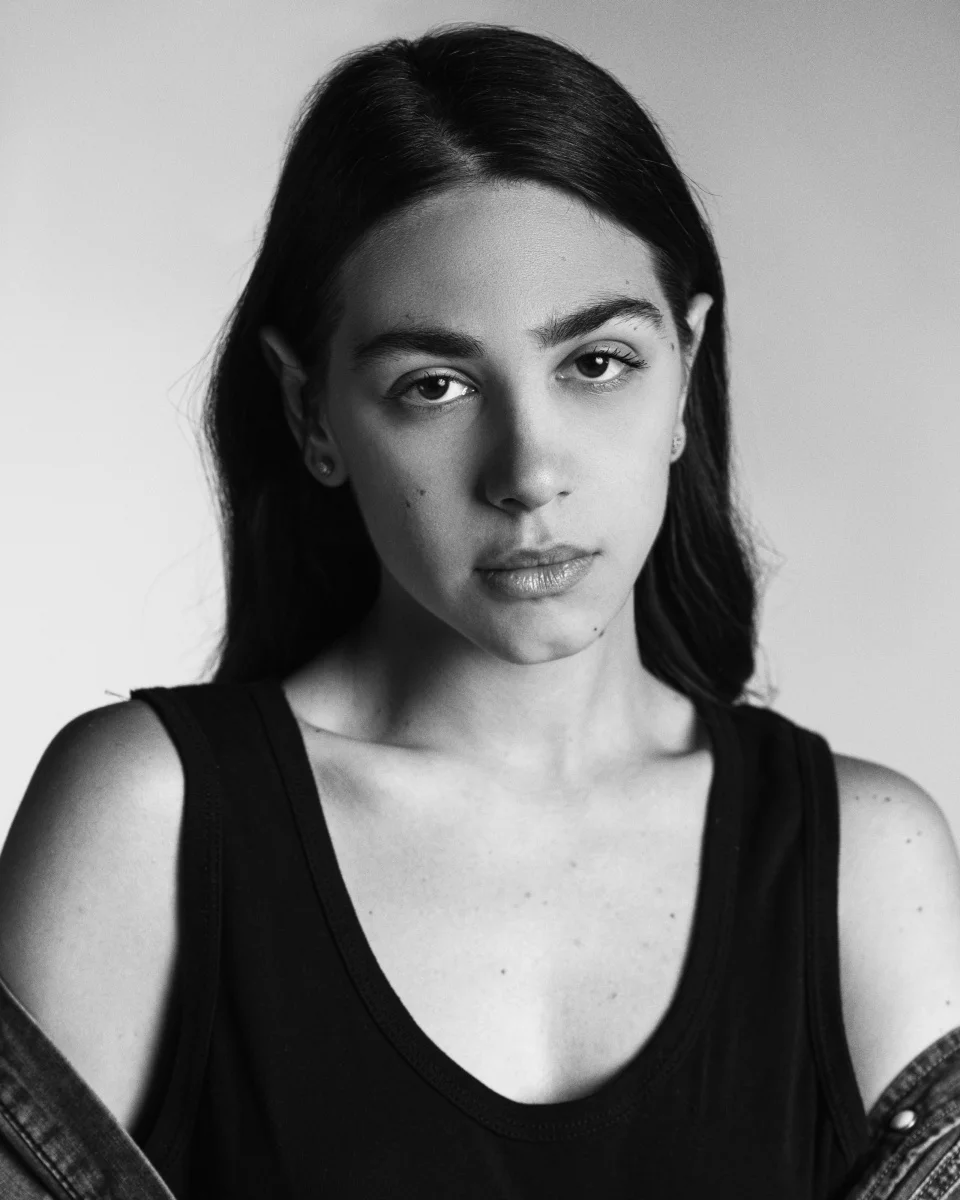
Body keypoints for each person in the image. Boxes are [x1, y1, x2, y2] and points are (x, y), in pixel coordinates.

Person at [2, 21, 959, 1199]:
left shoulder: (869, 858)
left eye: (596, 364)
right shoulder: (148, 819)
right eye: (435, 385)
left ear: (685, 369)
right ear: (310, 413)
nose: (528, 473)